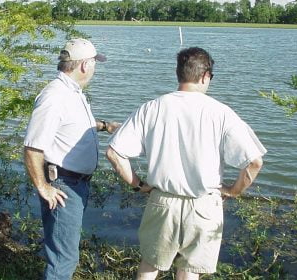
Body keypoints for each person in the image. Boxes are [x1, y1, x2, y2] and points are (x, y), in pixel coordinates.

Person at [106, 47, 266, 280]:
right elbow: (254, 162)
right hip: (204, 205)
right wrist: (232, 191)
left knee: (149, 266)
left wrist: (138, 184)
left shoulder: (152, 107)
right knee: (190, 272)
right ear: (205, 76)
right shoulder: (221, 113)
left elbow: (114, 152)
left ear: (178, 73)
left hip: (162, 201)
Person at [24, 38, 119, 280]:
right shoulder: (54, 97)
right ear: (85, 65)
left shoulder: (71, 92)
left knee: (62, 251)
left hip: (76, 184)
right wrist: (44, 188)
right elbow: (33, 147)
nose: (95, 69)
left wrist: (105, 126)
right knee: (64, 257)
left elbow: (71, 126)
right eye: (95, 63)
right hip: (63, 185)